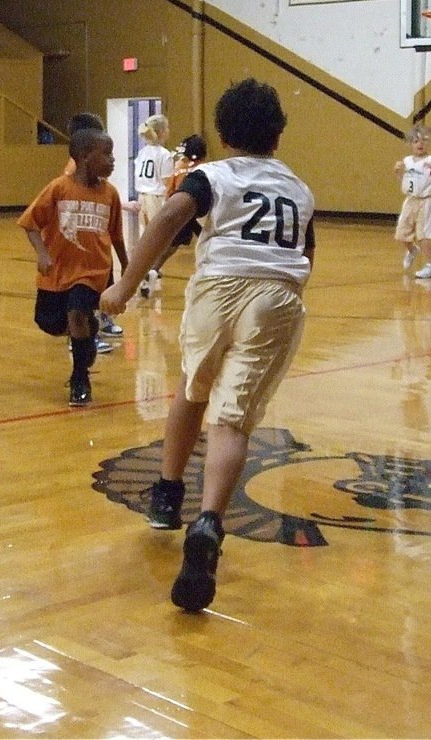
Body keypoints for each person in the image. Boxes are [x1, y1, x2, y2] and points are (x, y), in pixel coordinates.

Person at [100, 78, 315, 613]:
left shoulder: (210, 175)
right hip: (278, 295)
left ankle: (168, 494)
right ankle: (210, 522)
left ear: (221, 133)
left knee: (192, 392)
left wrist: (126, 283)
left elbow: (173, 217)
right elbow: (306, 251)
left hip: (217, 289)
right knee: (233, 420)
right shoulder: (300, 189)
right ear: (279, 134)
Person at [19, 129, 128, 406]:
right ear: (83, 157)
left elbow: (115, 235)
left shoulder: (110, 194)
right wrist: (42, 254)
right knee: (49, 322)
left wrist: (127, 267)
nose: (112, 160)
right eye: (106, 154)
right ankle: (88, 333)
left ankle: (80, 378)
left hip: (93, 271)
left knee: (76, 312)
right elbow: (30, 223)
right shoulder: (58, 188)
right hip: (58, 270)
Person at [64, 111, 121, 352]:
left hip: (99, 244)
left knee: (104, 285)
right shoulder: (71, 174)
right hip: (82, 247)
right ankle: (79, 336)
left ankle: (101, 321)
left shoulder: (103, 185)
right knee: (80, 300)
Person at [149, 133, 207, 276]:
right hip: (188, 212)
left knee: (176, 244)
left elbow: (169, 189)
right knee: (175, 244)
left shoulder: (179, 166)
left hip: (183, 212)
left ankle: (153, 268)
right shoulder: (200, 171)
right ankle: (152, 269)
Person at [395, 123, 431, 279]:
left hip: (425, 202)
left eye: (424, 141)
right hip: (410, 201)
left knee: (423, 235)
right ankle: (412, 250)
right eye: (416, 141)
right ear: (410, 144)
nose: (420, 144)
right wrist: (397, 172)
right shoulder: (407, 161)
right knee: (401, 233)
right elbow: (404, 182)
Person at [134, 113, 173, 297]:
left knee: (148, 238)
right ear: (161, 132)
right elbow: (167, 184)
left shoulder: (142, 152)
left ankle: (146, 271)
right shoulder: (164, 155)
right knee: (160, 241)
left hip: (142, 197)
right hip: (156, 199)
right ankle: (148, 274)